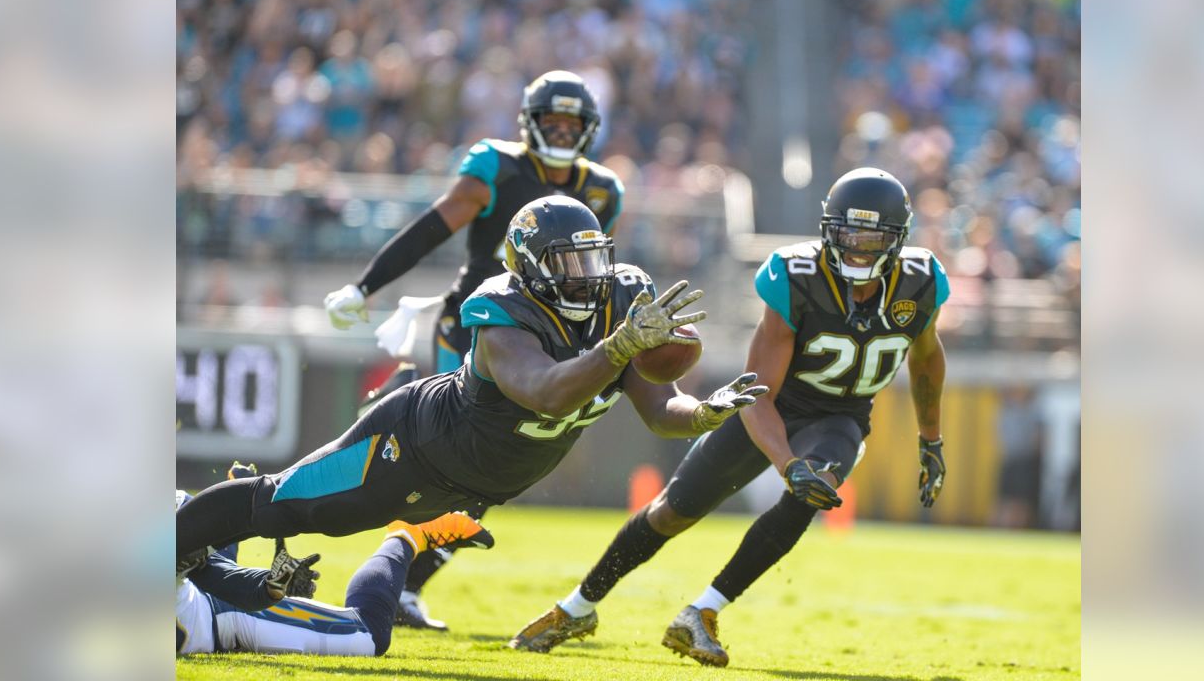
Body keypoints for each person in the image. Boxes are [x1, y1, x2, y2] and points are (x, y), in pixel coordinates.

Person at [178, 197, 769, 606]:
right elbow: (548, 393)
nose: (588, 277)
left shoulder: (622, 299)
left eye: (594, 259)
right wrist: (619, 345)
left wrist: (704, 413)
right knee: (287, 506)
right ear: (532, 267)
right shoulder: (501, 310)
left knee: (319, 520)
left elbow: (658, 406)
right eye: (569, 263)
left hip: (473, 487)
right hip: (411, 447)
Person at [510, 168, 951, 668]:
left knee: (814, 490)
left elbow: (927, 358)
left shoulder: (923, 280)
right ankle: (577, 607)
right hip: (772, 404)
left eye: (872, 239)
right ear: (828, 230)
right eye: (847, 235)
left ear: (898, 240)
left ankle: (702, 611)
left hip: (841, 416)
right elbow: (759, 390)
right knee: (671, 512)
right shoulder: (798, 276)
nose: (856, 250)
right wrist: (787, 463)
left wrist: (931, 441)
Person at [322, 69, 625, 629]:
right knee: (454, 462)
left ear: (589, 129)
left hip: (540, 338)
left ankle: (407, 586)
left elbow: (592, 282)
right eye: (551, 121)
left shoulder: (603, 189)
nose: (561, 132)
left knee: (482, 479)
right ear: (528, 123)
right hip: (478, 325)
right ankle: (400, 407)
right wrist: (367, 285)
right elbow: (434, 226)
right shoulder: (496, 166)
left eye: (571, 123)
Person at [177, 489, 494, 656]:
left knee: (370, 635)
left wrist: (269, 587)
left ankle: (410, 535)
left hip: (217, 616)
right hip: (202, 603)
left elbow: (212, 575)